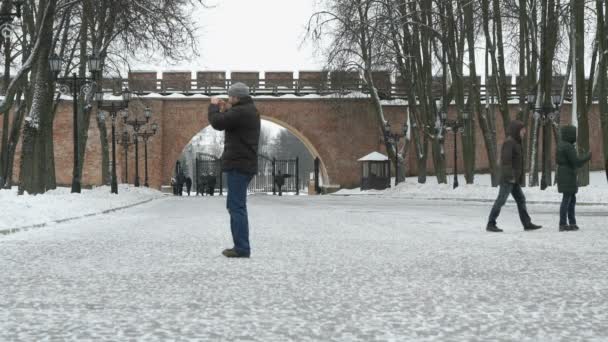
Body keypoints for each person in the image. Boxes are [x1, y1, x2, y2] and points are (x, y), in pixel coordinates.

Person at [208, 82, 260, 258]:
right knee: (236, 206)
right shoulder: (247, 110)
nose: (228, 99)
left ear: (236, 97)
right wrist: (226, 110)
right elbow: (229, 121)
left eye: (230, 96)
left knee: (236, 207)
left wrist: (213, 106)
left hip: (239, 165)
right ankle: (241, 246)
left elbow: (217, 123)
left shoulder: (241, 112)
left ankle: (242, 248)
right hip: (243, 164)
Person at [487, 120, 542, 233]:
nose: (524, 132)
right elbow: (506, 161)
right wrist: (511, 176)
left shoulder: (516, 143)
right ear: (517, 130)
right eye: (522, 130)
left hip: (513, 179)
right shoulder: (509, 143)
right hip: (508, 178)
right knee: (501, 200)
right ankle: (491, 223)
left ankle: (527, 223)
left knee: (521, 199)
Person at [556, 125, 591, 232]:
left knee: (571, 199)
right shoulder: (568, 147)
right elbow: (576, 162)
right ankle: (563, 223)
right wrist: (587, 156)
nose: (575, 136)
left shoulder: (561, 145)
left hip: (564, 174)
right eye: (574, 134)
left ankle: (571, 222)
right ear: (570, 134)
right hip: (568, 174)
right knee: (567, 200)